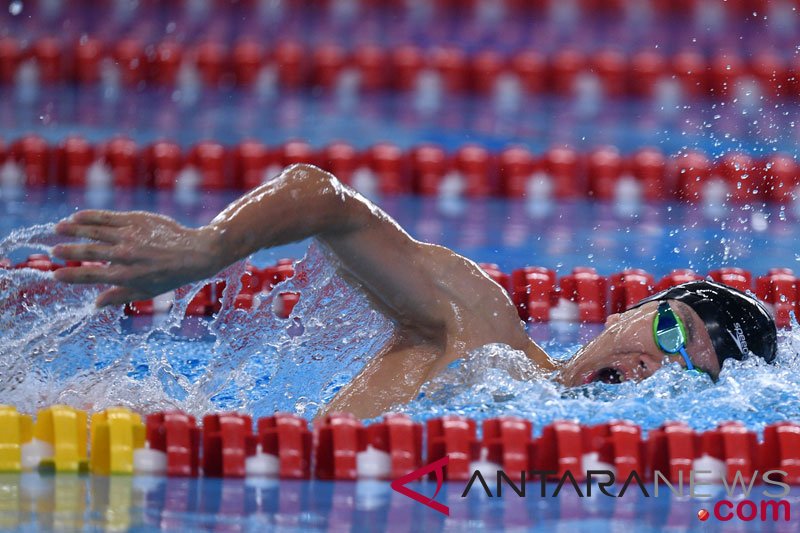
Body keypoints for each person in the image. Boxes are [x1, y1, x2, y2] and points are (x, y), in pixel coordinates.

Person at [51, 163, 778, 418]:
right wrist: (204, 249)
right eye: (673, 333)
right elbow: (321, 198)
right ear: (632, 309)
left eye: (690, 370)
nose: (660, 366)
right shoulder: (481, 330)